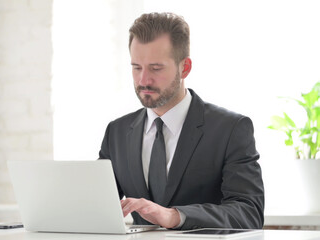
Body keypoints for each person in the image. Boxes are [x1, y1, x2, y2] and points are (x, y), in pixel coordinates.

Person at [98, 12, 264, 230]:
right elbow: (97, 208)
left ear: (184, 67)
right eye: (136, 67)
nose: (143, 80)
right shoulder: (116, 132)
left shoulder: (230, 129)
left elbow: (248, 213)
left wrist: (176, 216)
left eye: (156, 68)